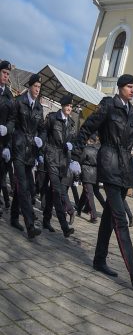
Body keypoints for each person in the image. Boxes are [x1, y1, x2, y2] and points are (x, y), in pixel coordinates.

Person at [71, 74, 133, 288]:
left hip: (125, 168)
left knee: (108, 217)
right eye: (129, 86)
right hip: (108, 163)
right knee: (120, 218)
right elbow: (87, 128)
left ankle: (99, 260)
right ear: (119, 88)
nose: (132, 90)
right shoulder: (108, 105)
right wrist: (75, 157)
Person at [10, 73, 45, 239]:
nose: (37, 90)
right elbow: (11, 123)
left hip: (30, 151)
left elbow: (43, 129)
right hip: (17, 148)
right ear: (29, 87)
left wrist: (41, 140)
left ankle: (14, 217)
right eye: (35, 87)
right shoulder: (19, 102)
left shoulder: (39, 107)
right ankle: (30, 225)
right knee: (23, 186)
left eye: (39, 87)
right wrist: (7, 146)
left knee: (25, 187)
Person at [41, 92, 76, 237]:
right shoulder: (52, 118)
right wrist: (42, 151)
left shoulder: (72, 123)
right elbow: (44, 133)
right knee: (57, 190)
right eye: (67, 105)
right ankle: (64, 226)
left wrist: (72, 149)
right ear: (62, 106)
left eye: (71, 106)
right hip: (52, 157)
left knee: (51, 191)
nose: (69, 108)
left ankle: (46, 220)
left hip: (64, 162)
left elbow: (73, 140)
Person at [77, 136, 102, 223]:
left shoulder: (85, 149)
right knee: (86, 193)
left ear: (89, 141)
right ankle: (79, 209)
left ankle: (94, 216)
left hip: (86, 172)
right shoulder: (97, 151)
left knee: (89, 195)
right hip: (95, 173)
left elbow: (81, 160)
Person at [0, 60, 14, 217]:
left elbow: (12, 119)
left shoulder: (9, 96)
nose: (6, 76)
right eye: (4, 73)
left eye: (8, 74)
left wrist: (7, 129)